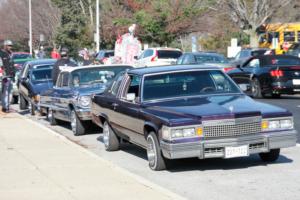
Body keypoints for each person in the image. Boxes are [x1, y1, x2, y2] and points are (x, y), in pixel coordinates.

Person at [0, 40, 15, 112]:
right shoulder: (1, 54)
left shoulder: (11, 54)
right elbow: (1, 66)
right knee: (5, 92)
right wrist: (3, 74)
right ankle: (5, 107)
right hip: (5, 76)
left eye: (11, 45)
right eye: (9, 45)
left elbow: (12, 65)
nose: (10, 47)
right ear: (5, 46)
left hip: (11, 75)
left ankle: (8, 106)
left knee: (10, 92)